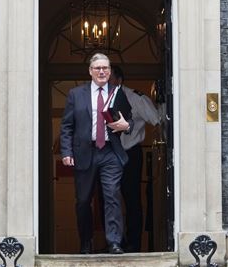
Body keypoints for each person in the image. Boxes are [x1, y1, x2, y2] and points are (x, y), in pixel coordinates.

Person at [60, 53, 132, 255]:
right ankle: (86, 242)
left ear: (110, 71)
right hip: (84, 152)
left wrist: (126, 126)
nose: (102, 71)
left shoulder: (118, 93)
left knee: (112, 196)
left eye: (105, 68)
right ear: (90, 71)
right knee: (83, 201)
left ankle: (114, 242)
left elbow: (130, 119)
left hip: (110, 152)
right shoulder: (76, 94)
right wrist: (66, 151)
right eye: (98, 68)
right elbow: (67, 126)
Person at [109, 65, 161, 252]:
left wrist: (160, 151)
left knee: (131, 199)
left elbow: (158, 121)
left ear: (119, 80)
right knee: (108, 199)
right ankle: (114, 242)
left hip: (129, 153)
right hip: (107, 155)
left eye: (109, 78)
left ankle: (133, 244)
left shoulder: (136, 98)